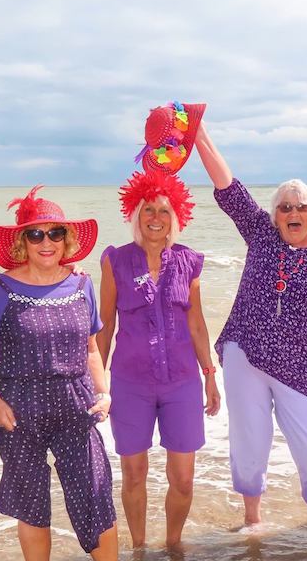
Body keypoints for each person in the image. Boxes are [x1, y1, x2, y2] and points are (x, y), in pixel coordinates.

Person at [192, 121, 307, 538]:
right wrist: (198, 134)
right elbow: (229, 189)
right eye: (285, 207)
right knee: (249, 439)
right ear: (275, 213)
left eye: (301, 207)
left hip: (301, 363)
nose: (293, 213)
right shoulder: (261, 234)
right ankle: (252, 518)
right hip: (244, 352)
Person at [0, 186, 118, 560]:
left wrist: (104, 393)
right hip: (18, 411)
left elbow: (91, 349)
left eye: (56, 233)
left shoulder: (82, 284)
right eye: (36, 234)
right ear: (23, 241)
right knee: (31, 505)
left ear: (67, 239)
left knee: (95, 497)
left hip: (75, 406)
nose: (47, 242)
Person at [96, 167, 221, 550]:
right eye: (148, 210)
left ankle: (172, 544)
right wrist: (97, 384)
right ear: (136, 216)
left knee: (183, 477)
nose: (156, 218)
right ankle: (137, 547)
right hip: (130, 382)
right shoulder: (115, 260)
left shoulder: (189, 262)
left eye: (164, 211)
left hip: (181, 381)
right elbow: (105, 326)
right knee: (134, 473)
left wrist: (210, 376)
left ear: (175, 218)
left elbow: (197, 325)